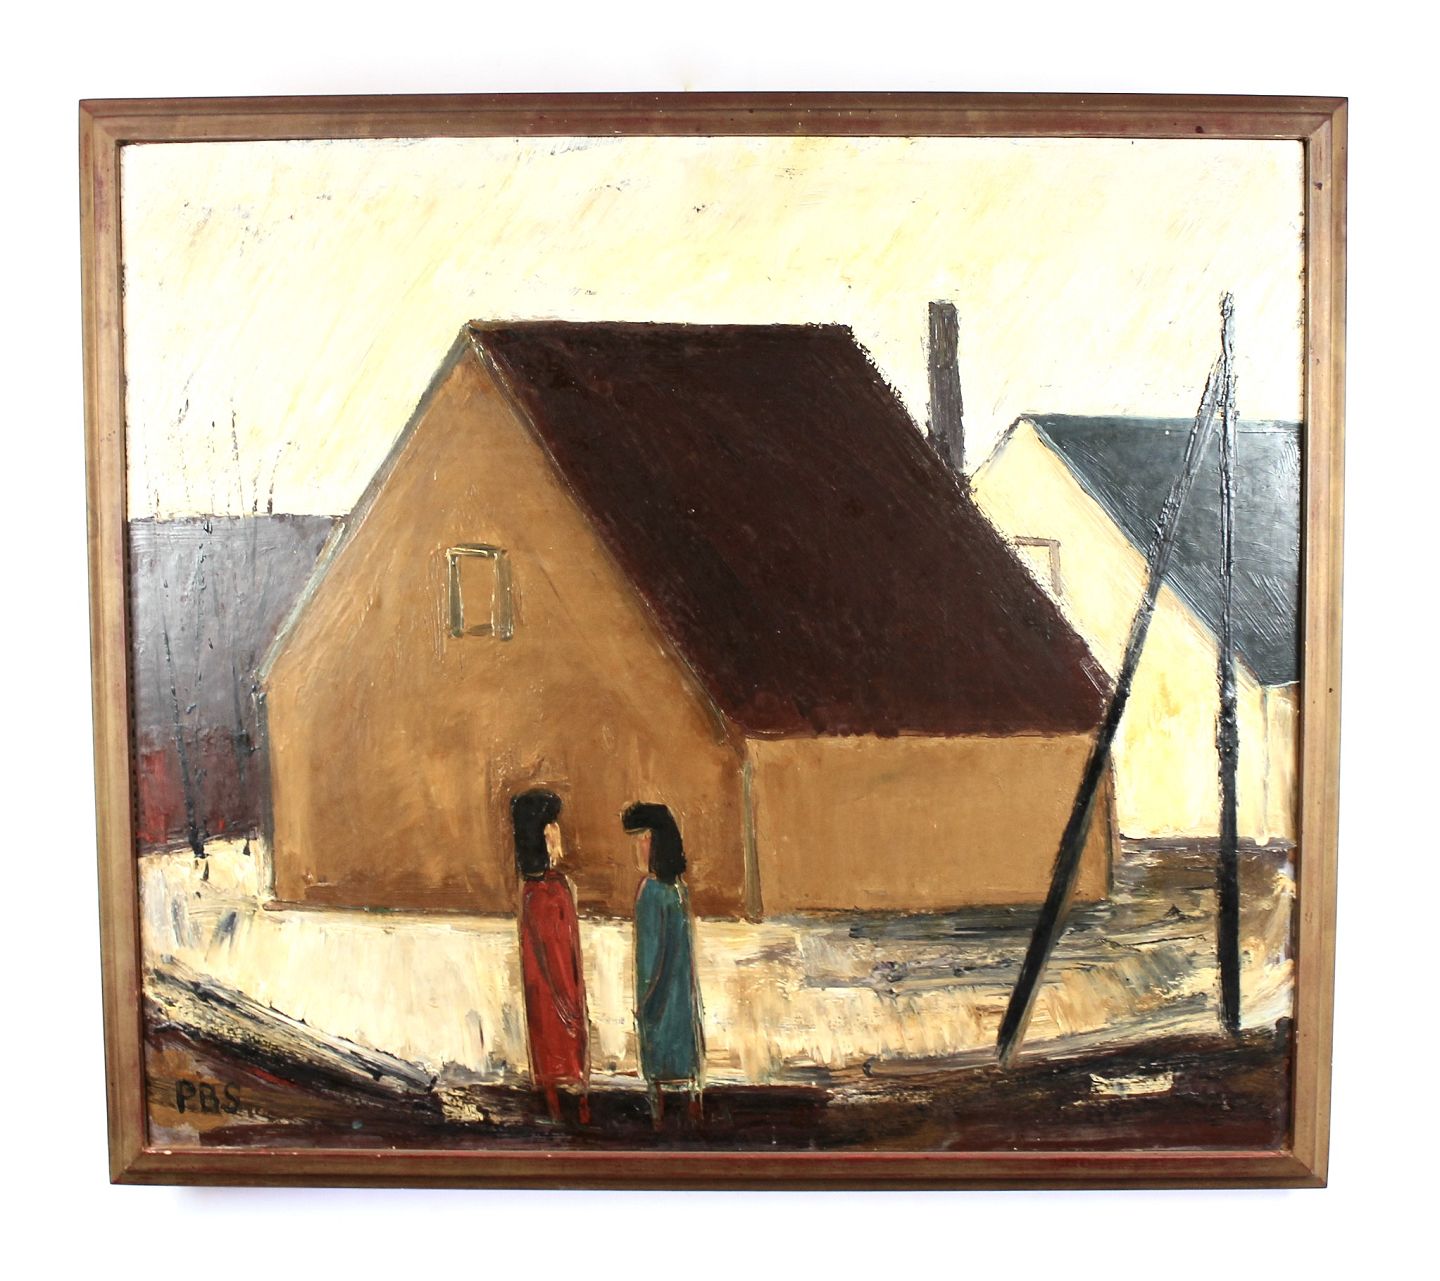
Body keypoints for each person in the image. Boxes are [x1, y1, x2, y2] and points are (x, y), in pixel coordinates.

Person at [623, 801, 704, 1129]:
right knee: (685, 1061)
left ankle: (660, 1119)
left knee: (658, 1065)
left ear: (656, 842)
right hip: (681, 998)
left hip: (658, 1000)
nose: (639, 848)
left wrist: (643, 1002)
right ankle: (692, 1110)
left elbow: (649, 956)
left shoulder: (651, 892)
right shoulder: (679, 891)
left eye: (643, 839)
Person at [512, 788, 590, 1126]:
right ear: (543, 836)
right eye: (553, 828)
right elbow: (557, 955)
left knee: (552, 1058)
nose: (559, 835)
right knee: (563, 1056)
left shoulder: (536, 890)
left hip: (549, 996)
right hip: (558, 997)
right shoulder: (548, 892)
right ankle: (573, 1111)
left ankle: (559, 1107)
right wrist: (571, 1004)